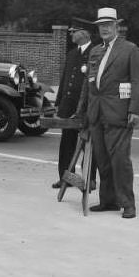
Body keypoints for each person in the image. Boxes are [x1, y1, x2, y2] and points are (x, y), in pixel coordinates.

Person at [76, 7, 139, 219]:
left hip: (119, 114)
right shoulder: (96, 51)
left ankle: (128, 204)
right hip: (96, 114)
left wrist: (135, 110)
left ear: (117, 26)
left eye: (108, 25)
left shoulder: (130, 49)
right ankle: (109, 201)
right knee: (103, 161)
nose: (104, 29)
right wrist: (82, 111)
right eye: (100, 26)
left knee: (120, 161)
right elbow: (88, 84)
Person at [52, 24, 95, 190]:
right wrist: (58, 104)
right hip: (68, 106)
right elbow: (64, 80)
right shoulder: (72, 53)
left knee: (87, 144)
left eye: (74, 32)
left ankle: (89, 179)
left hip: (85, 107)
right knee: (67, 143)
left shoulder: (95, 52)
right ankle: (65, 178)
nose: (71, 34)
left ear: (84, 34)